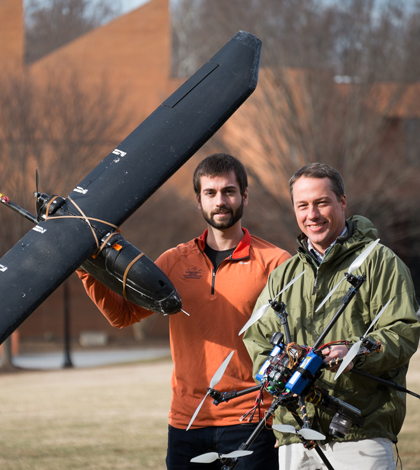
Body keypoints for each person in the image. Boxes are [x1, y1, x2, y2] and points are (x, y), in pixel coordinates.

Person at [77, 153, 291, 469]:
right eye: (211, 193)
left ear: (244, 195)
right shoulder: (174, 262)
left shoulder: (275, 263)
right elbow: (123, 315)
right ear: (199, 200)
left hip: (253, 420)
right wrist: (84, 266)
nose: (221, 201)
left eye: (229, 191)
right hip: (187, 423)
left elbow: (298, 341)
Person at [243, 162, 420, 470]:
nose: (312, 215)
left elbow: (403, 332)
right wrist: (277, 368)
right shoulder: (283, 276)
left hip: (360, 433)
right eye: (303, 205)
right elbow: (257, 336)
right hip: (296, 434)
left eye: (321, 202)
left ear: (342, 202)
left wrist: (356, 351)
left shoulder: (380, 263)